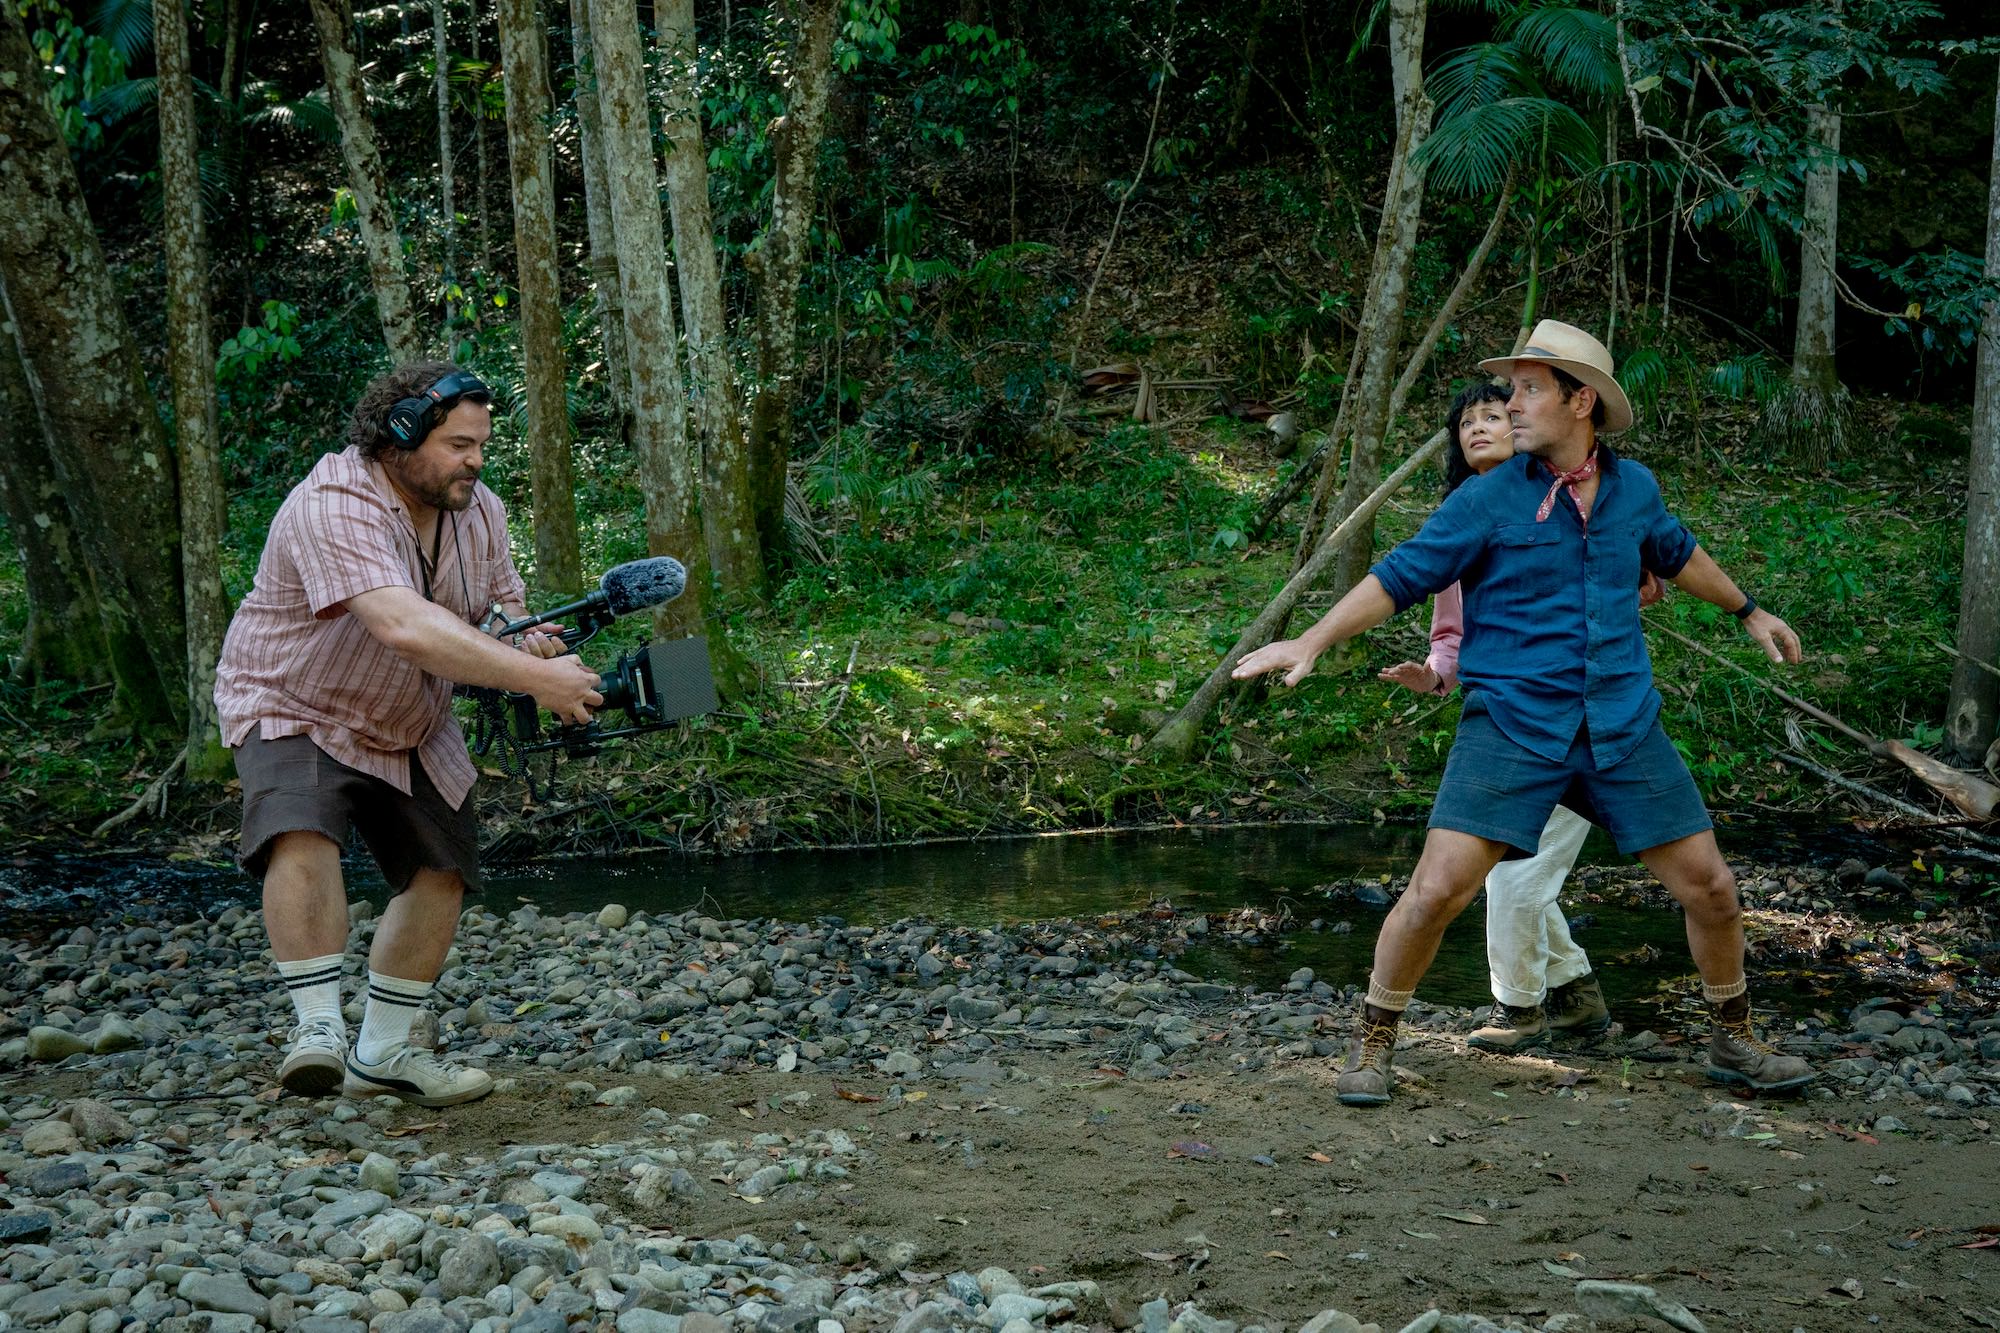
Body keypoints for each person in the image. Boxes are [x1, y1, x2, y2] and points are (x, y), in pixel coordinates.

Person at [1234, 319, 1815, 1105]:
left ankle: (1735, 1036)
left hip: (1620, 720)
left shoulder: (1634, 488)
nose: (1510, 404)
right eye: (1510, 388)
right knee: (1438, 890)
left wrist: (1750, 610)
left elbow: (1677, 553)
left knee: (1712, 887)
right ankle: (1373, 1043)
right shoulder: (1487, 497)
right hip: (1512, 721)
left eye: (1529, 388)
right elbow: (1401, 574)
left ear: (1582, 402)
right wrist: (1312, 637)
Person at [215, 361, 604, 1106]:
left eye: (483, 444)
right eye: (459, 444)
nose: (477, 461)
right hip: (296, 697)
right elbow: (402, 623)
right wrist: (533, 681)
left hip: (409, 714)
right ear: (399, 435)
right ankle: (319, 1031)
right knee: (302, 828)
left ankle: (384, 1052)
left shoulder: (479, 509)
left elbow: (496, 609)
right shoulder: (334, 499)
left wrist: (530, 648)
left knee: (444, 867)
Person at [1375, 381, 1614, 1053]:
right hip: (1502, 722)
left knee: (1512, 876)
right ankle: (1577, 998)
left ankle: (1521, 1010)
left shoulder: (1571, 497)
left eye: (1494, 415)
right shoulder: (1459, 515)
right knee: (1514, 871)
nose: (1479, 427)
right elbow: (1450, 634)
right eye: (1466, 422)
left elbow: (1621, 572)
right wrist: (1431, 674)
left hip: (1578, 717)